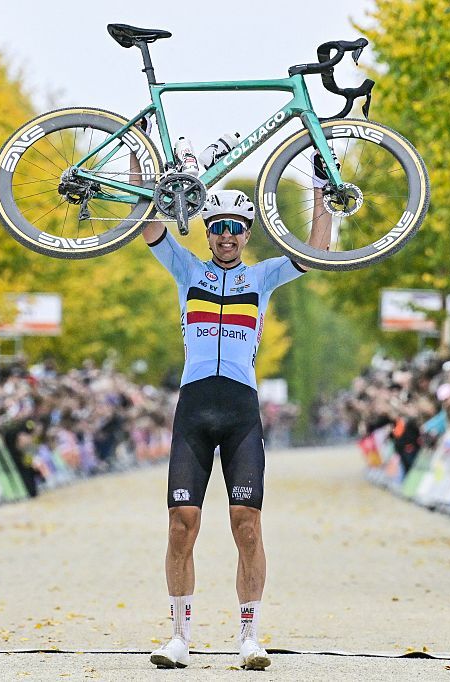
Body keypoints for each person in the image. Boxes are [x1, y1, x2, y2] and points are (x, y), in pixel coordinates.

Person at [142, 173, 330, 670]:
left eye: (236, 227)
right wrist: (143, 163)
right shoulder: (187, 271)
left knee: (246, 526)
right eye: (218, 226)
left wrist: (320, 189)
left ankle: (250, 636)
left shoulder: (263, 276)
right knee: (182, 526)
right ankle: (179, 636)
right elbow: (149, 224)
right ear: (207, 231)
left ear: (248, 233)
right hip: (194, 410)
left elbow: (317, 250)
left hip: (241, 412)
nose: (227, 235)